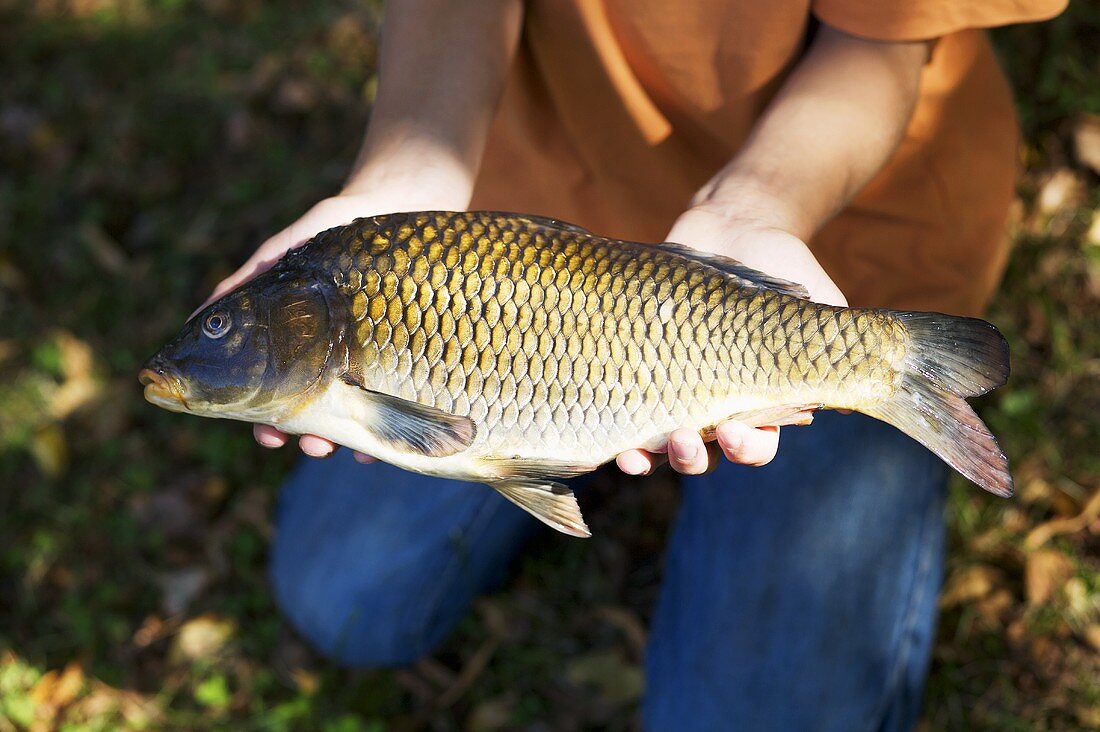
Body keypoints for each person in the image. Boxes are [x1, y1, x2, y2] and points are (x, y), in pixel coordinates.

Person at [202, 1, 1065, 728]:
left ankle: (867, 381)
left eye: (225, 331)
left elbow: (882, 37)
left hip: (826, 248)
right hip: (507, 243)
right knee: (340, 594)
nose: (214, 342)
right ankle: (580, 438)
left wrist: (754, 210)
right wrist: (403, 177)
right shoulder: (366, 281)